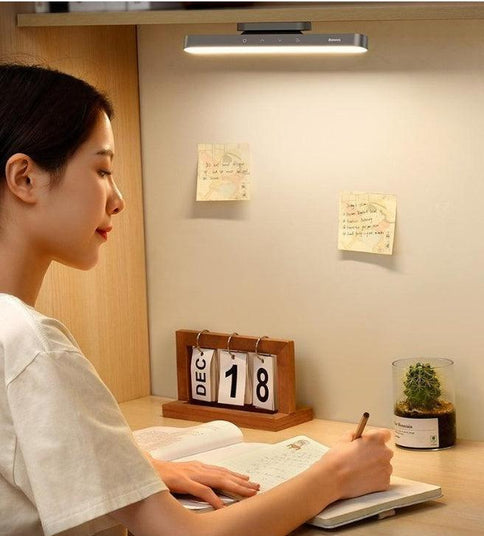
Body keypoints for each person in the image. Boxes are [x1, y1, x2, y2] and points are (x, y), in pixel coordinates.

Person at [0, 63, 393, 536]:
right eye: (103, 170)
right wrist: (335, 476)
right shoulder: (29, 345)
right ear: (24, 178)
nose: (118, 199)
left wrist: (129, 471)